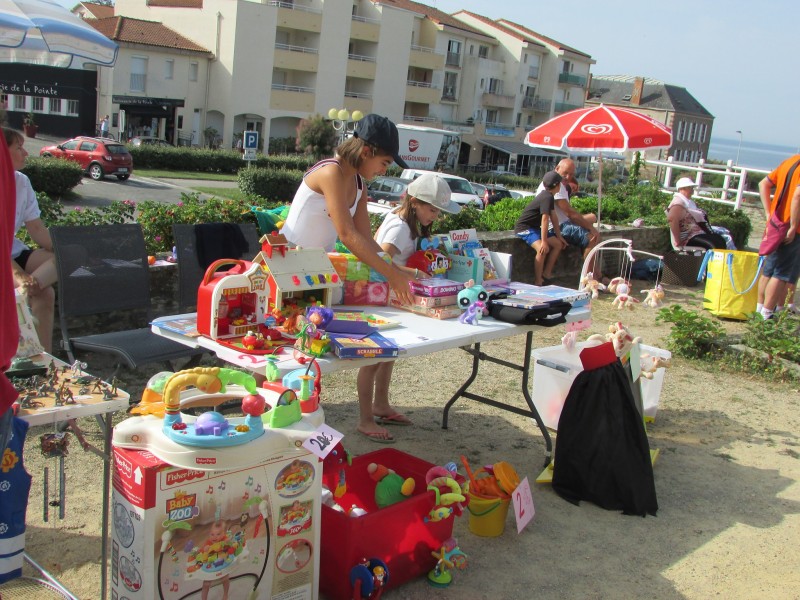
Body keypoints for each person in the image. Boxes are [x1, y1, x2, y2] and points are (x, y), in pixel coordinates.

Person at [281, 114, 415, 440]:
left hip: (314, 276)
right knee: (287, 352)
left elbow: (367, 240)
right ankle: (283, 418)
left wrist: (399, 271)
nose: (385, 169)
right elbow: (347, 235)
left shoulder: (357, 183)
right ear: (367, 151)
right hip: (285, 272)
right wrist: (392, 275)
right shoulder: (330, 172)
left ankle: (314, 415)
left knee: (311, 349)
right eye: (384, 162)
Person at [361, 174, 461, 443]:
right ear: (415, 203)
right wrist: (414, 272)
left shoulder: (405, 222)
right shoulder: (400, 227)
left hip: (392, 296)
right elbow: (379, 260)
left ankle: (380, 404)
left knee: (388, 354)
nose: (435, 216)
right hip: (383, 298)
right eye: (432, 209)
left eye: (438, 211)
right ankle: (366, 418)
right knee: (375, 357)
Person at [4, 128, 57, 353]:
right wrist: (18, 276)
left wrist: (67, 250)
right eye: (19, 148)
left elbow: (36, 229)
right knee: (46, 294)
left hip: (13, 251)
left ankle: (44, 361)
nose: (26, 153)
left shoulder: (21, 182)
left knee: (70, 257)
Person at [754, 155, 800, 320]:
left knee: (769, 269)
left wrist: (768, 214)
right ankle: (767, 313)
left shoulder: (791, 161)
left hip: (775, 223)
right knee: (782, 273)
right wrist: (794, 225)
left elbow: (763, 184)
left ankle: (759, 309)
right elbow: (797, 195)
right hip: (791, 227)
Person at [538, 159, 601, 275]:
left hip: (562, 223)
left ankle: (597, 274)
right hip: (557, 226)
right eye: (565, 173)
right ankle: (589, 278)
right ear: (557, 168)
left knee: (591, 220)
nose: (568, 177)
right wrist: (592, 229)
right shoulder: (555, 184)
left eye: (571, 174)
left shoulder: (558, 182)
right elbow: (570, 213)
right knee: (592, 238)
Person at [514, 171, 568, 286]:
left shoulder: (549, 197)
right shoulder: (547, 197)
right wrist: (543, 241)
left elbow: (553, 217)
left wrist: (559, 236)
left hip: (534, 228)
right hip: (524, 228)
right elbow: (545, 219)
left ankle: (546, 274)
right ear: (557, 185)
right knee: (542, 250)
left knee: (558, 244)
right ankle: (538, 281)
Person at [667, 177, 727, 251]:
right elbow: (671, 218)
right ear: (683, 188)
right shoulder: (678, 203)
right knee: (713, 244)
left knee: (720, 240)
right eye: (690, 188)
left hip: (697, 234)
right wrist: (677, 241)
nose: (692, 190)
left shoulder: (688, 202)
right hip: (688, 238)